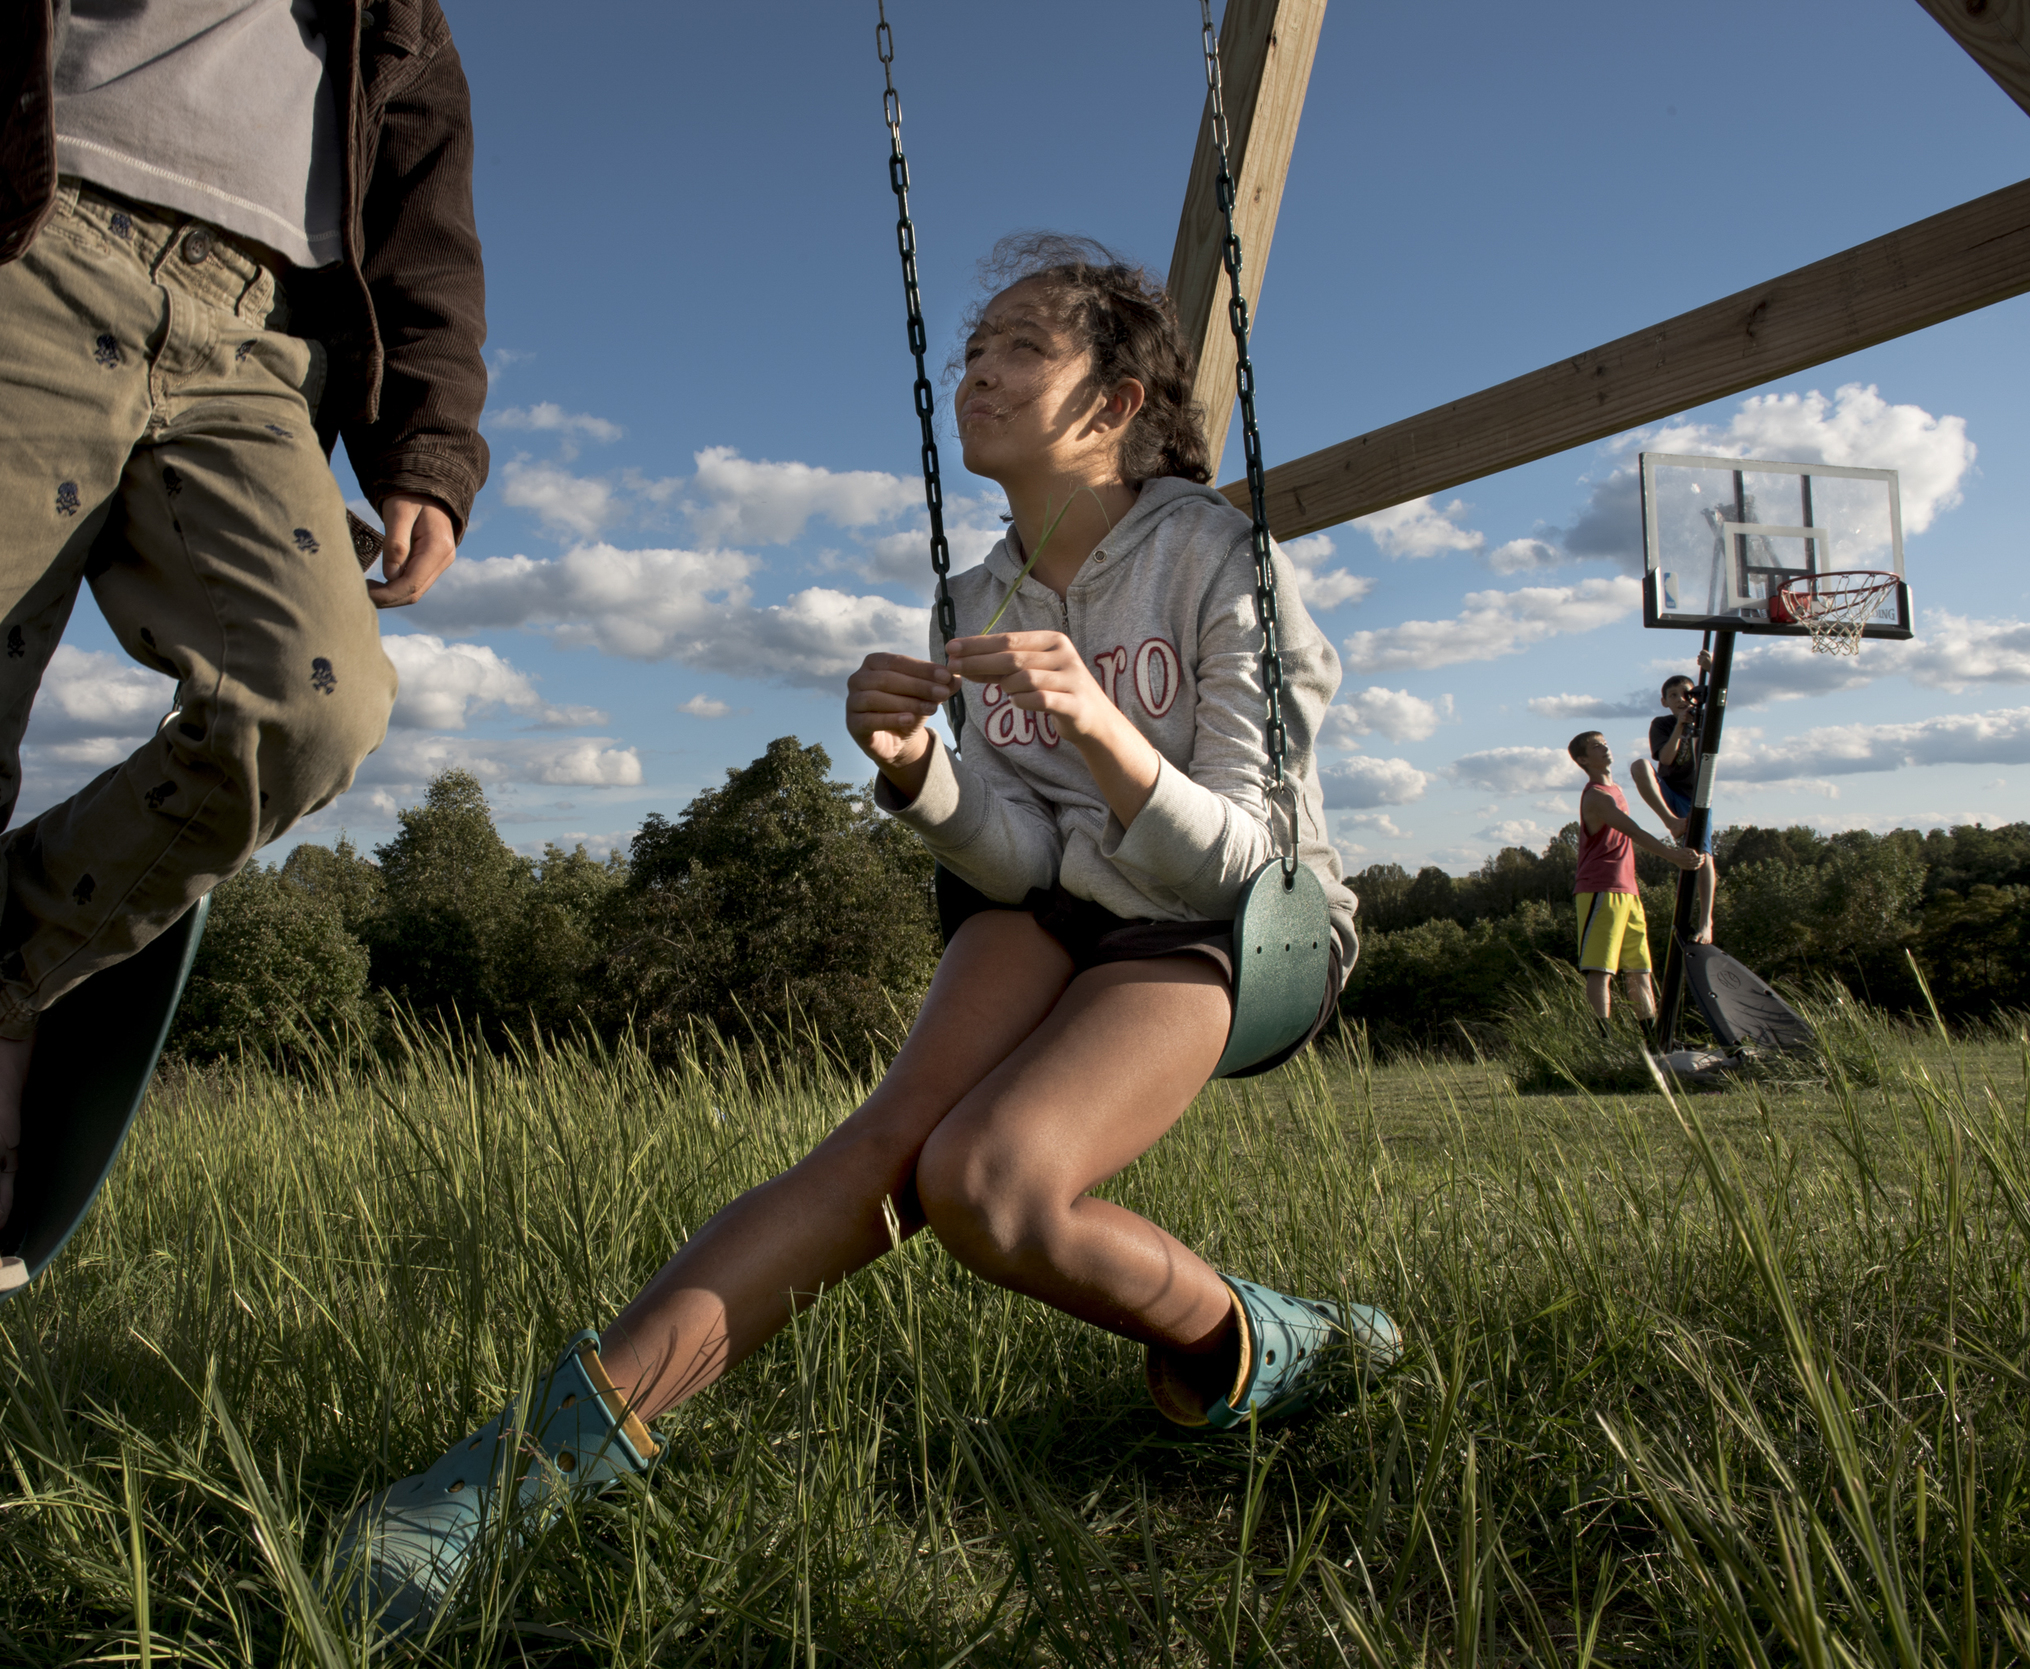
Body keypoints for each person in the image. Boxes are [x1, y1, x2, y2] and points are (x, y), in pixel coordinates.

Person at [336, 235, 1398, 1634]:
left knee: (991, 1186)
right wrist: (914, 770)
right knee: (886, 1150)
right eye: (973, 348)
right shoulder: (980, 594)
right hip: (1059, 900)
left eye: (1024, 344)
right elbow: (1012, 849)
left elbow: (1250, 853)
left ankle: (1262, 1341)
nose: (980, 369)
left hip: (1234, 924)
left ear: (1119, 403)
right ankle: (511, 1482)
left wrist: (1097, 724)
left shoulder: (1216, 557)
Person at [0, 0, 488, 1306]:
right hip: (14, 232)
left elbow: (423, 196)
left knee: (313, 703)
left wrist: (431, 441)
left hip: (264, 325)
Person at [1570, 729, 1707, 1023]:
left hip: (1628, 891)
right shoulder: (1595, 796)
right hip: (1600, 888)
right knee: (1600, 969)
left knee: (1640, 969)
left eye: (1605, 743)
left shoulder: (1616, 789)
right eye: (1596, 747)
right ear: (1583, 759)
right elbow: (1631, 830)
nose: (1605, 749)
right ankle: (1602, 1043)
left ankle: (1651, 1043)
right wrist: (1673, 856)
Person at [1627, 667, 1716, 939]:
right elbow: (1665, 759)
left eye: (1686, 694)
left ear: (1695, 698)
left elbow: (1718, 696)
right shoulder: (1662, 724)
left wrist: (1711, 668)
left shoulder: (1704, 719)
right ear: (1664, 701)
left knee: (1704, 858)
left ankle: (1706, 922)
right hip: (1669, 789)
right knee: (1640, 765)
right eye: (1673, 695)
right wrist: (1680, 725)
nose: (1680, 699)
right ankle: (1671, 822)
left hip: (1696, 795)